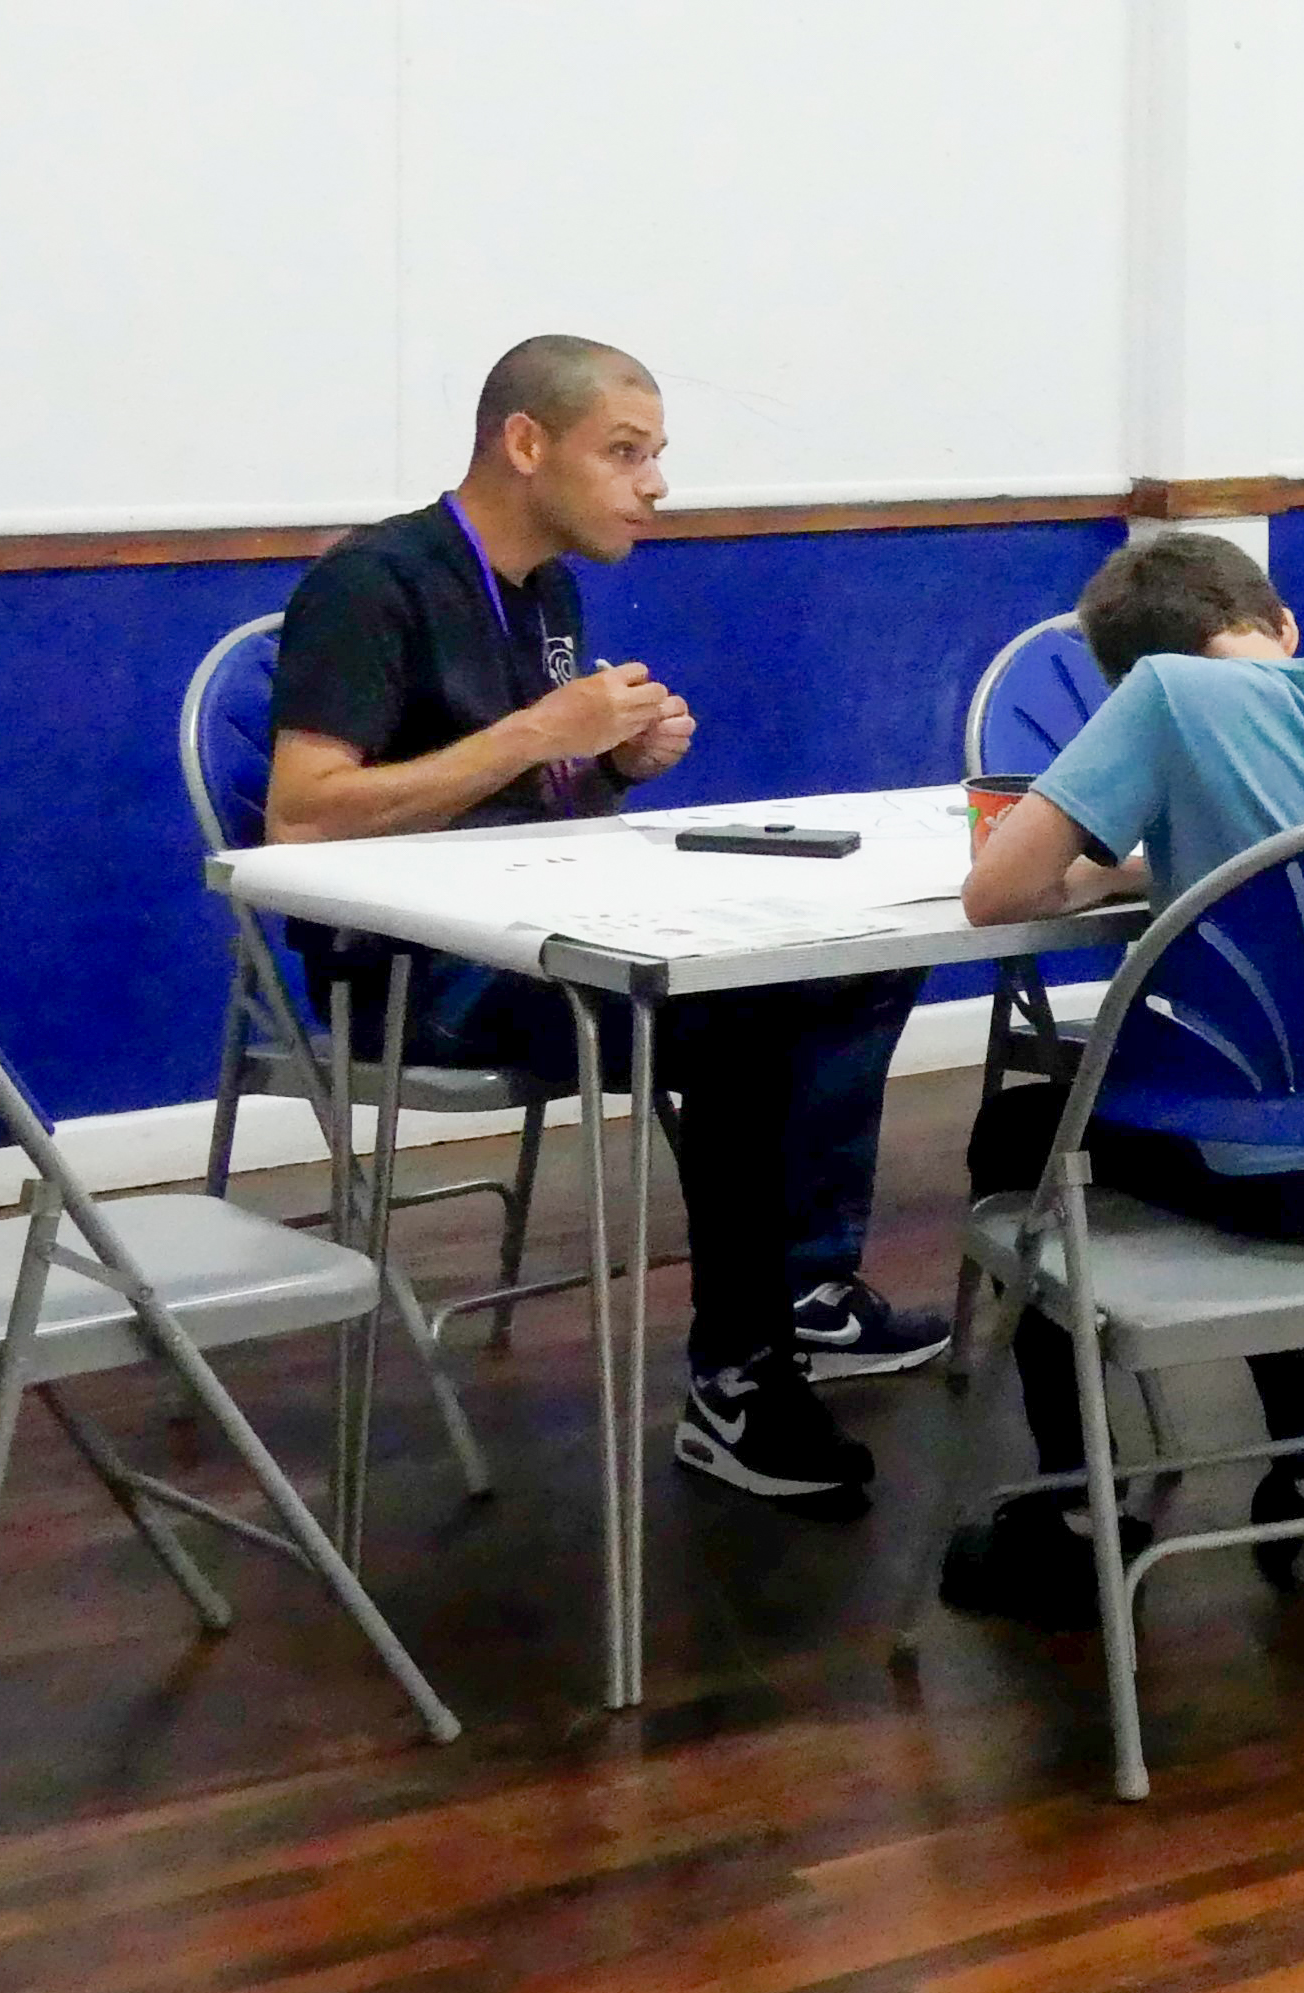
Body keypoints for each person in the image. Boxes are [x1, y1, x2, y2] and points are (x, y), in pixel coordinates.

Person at [267, 335, 945, 1516]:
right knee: (736, 1016)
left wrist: (612, 765)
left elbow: (527, 805)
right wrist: (542, 733)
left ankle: (807, 1291)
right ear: (525, 445)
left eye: (656, 455)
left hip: (533, 920)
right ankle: (738, 1379)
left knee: (853, 964)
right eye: (624, 454)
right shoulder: (369, 585)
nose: (655, 485)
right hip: (413, 972)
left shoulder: (548, 588)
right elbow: (302, 822)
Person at [945, 533, 1304, 1629]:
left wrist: (1114, 864)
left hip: (1261, 1179)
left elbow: (995, 894)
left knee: (1020, 1137)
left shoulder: (1160, 695)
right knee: (1291, 1096)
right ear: (1284, 625)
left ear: (1117, 677)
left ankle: (1073, 1516)